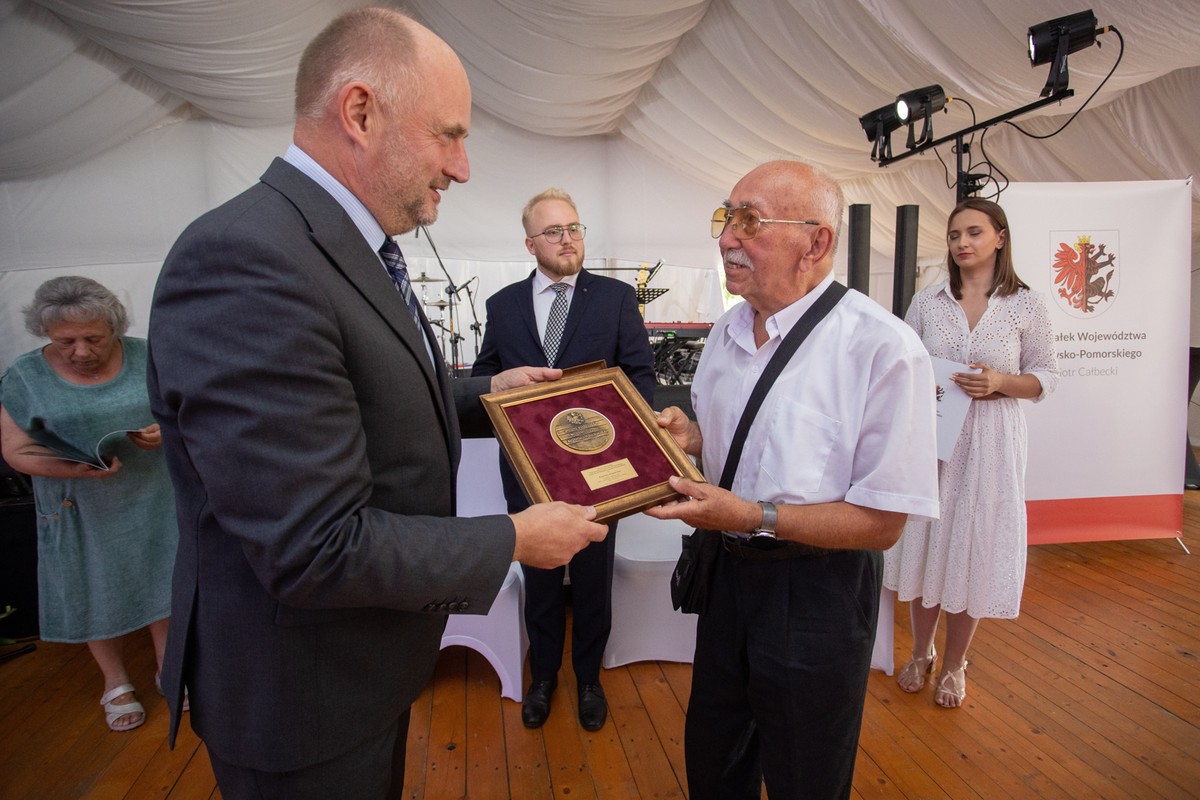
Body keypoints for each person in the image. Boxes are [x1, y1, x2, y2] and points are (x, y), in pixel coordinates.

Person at [146, 8, 606, 799]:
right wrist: (512, 539)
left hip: (359, 670)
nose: (462, 168)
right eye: (448, 136)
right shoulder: (249, 258)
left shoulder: (339, 244)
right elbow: (313, 544)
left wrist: (487, 395)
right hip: (301, 697)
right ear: (360, 112)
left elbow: (362, 392)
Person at [646, 160, 940, 800]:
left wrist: (753, 516)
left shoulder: (884, 349)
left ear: (816, 242)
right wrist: (694, 437)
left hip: (818, 592)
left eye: (749, 221)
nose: (727, 237)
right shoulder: (726, 332)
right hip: (727, 577)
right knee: (716, 755)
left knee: (807, 774)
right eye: (726, 217)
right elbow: (752, 442)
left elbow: (883, 523)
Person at [471, 188, 656, 731]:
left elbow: (640, 377)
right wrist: (497, 386)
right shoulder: (502, 305)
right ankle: (544, 677)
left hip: (600, 471)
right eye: (553, 231)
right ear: (530, 243)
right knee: (540, 575)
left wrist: (620, 436)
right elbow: (484, 378)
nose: (568, 239)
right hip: (527, 471)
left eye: (574, 228)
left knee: (594, 578)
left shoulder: (616, 298)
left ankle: (589, 678)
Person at [883, 198, 1059, 709]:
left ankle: (956, 664)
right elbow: (903, 366)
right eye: (955, 234)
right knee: (925, 544)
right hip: (935, 439)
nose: (962, 242)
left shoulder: (1027, 305)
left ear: (1000, 238)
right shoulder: (927, 301)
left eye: (975, 232)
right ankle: (921, 651)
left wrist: (1001, 382)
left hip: (993, 441)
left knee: (972, 549)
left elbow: (1047, 376)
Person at [0, 276, 178, 733]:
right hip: (76, 502)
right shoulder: (24, 376)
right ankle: (115, 682)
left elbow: (184, 412)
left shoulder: (149, 355)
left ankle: (169, 667)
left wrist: (165, 431)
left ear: (114, 326)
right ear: (45, 333)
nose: (81, 351)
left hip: (152, 494)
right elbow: (15, 450)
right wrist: (71, 468)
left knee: (163, 575)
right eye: (65, 342)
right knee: (92, 585)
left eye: (94, 338)